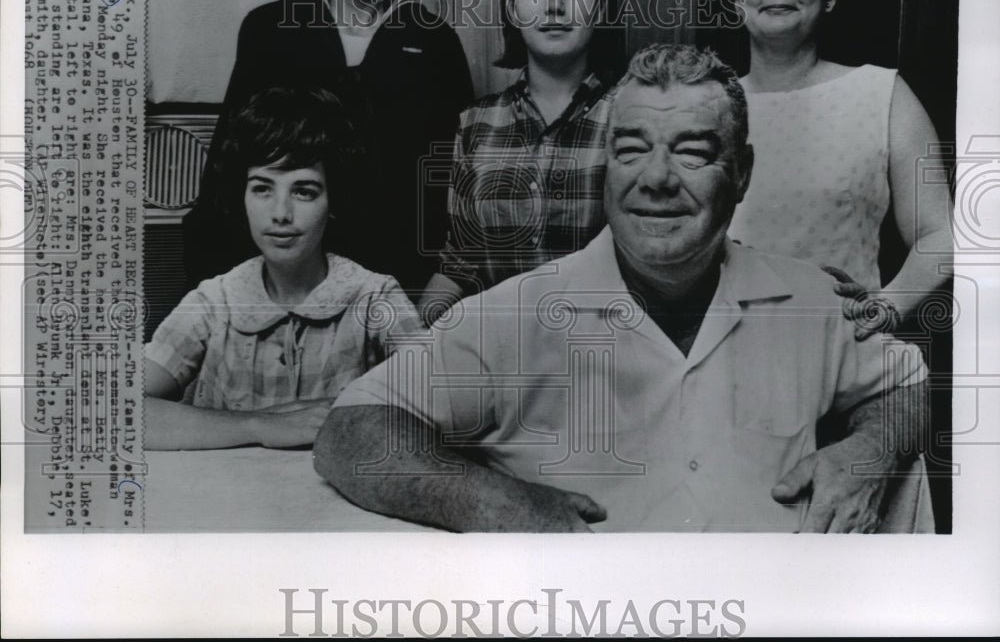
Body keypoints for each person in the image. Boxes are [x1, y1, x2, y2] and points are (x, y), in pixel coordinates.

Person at [314, 44, 932, 533]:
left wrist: (868, 451)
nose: (656, 178)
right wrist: (495, 504)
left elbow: (904, 382)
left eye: (692, 152)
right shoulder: (515, 316)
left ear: (741, 174)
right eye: (631, 150)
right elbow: (352, 428)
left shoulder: (809, 301)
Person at [183, 0, 474, 298]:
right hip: (282, 284)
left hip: (399, 288)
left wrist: (435, 290)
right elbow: (227, 173)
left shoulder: (433, 40)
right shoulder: (269, 30)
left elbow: (457, 181)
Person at [719, 0, 952, 339]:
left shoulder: (882, 94)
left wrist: (890, 305)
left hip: (847, 362)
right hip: (724, 361)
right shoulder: (710, 103)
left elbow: (942, 235)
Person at [145, 87, 422, 450]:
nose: (280, 213)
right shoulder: (215, 300)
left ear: (333, 201)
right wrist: (259, 425)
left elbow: (445, 405)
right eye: (262, 189)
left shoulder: (374, 296)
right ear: (241, 197)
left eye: (304, 191)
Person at [420, 0, 622, 324]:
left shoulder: (629, 113)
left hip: (603, 350)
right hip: (502, 353)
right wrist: (424, 327)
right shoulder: (476, 125)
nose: (554, 5)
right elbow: (458, 265)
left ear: (599, 7)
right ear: (512, 9)